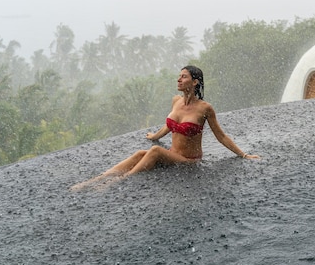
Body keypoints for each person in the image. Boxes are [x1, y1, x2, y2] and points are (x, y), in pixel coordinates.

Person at [70, 65, 260, 191]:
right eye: (179, 76)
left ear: (195, 82)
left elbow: (221, 136)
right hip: (172, 154)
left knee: (154, 151)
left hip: (188, 160)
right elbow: (170, 126)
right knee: (139, 154)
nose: (178, 80)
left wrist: (243, 155)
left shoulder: (205, 108)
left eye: (183, 77)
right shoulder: (176, 101)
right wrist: (154, 136)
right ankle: (95, 180)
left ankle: (116, 182)